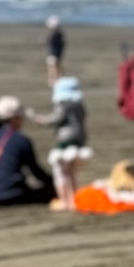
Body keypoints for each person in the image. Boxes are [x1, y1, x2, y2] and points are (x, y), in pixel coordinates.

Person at [0, 96, 55, 205]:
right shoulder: (20, 139)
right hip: (16, 194)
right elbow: (36, 172)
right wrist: (54, 182)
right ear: (14, 118)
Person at [31, 75, 91, 211]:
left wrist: (42, 120)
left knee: (61, 172)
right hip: (79, 140)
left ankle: (65, 200)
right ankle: (74, 199)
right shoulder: (79, 105)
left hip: (65, 140)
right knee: (72, 172)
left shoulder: (64, 105)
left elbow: (56, 118)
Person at [45, 16, 65, 84]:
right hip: (56, 53)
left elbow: (54, 45)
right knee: (57, 66)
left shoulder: (55, 35)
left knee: (53, 68)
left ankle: (54, 80)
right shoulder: (59, 35)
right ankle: (57, 79)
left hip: (54, 53)